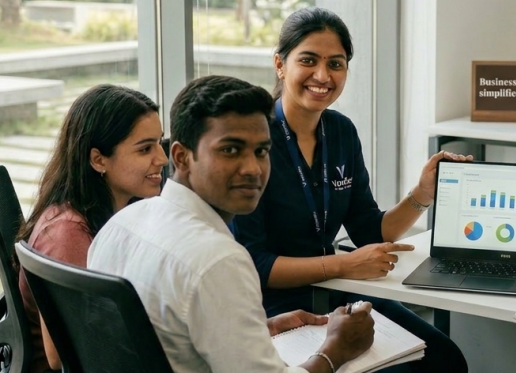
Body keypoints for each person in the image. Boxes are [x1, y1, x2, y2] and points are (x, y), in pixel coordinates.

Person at [233, 7, 470, 373]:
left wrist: (423, 193)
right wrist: (345, 264)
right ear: (280, 65)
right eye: (308, 60)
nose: (323, 76)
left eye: (336, 64)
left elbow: (369, 230)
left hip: (337, 291)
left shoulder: (341, 131)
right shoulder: (255, 139)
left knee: (444, 359)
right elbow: (256, 264)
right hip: (273, 306)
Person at [88, 75, 374, 373]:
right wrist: (336, 349)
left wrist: (256, 329)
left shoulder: (120, 225)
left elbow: (163, 339)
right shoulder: (219, 261)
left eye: (262, 151)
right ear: (181, 157)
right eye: (230, 150)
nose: (253, 168)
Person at [16, 84, 168, 372]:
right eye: (145, 148)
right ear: (98, 159)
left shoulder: (117, 209)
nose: (161, 158)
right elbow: (62, 354)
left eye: (159, 143)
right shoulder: (67, 235)